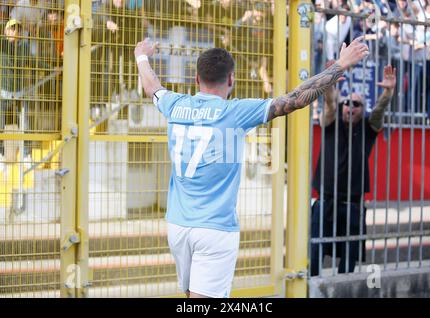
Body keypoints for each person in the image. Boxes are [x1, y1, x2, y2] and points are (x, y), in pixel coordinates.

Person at [134, 36, 369, 298]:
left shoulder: (175, 105)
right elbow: (297, 98)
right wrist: (340, 65)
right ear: (231, 79)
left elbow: (151, 85)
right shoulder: (236, 111)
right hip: (215, 228)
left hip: (177, 226)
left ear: (196, 79)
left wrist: (141, 55)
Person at [310, 62, 397, 276]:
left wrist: (387, 93)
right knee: (314, 253)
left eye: (356, 104)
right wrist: (330, 83)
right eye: (347, 103)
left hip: (352, 205)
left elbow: (378, 112)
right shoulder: (331, 124)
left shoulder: (367, 129)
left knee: (349, 256)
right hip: (325, 201)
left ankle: (342, 289)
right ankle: (310, 288)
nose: (350, 106)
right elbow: (330, 104)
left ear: (362, 109)